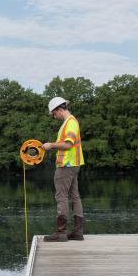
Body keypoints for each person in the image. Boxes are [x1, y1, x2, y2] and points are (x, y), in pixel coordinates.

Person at [42, 97, 84, 242]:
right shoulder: (70, 122)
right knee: (75, 196)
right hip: (73, 164)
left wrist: (51, 145)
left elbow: (68, 144)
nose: (54, 117)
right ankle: (78, 232)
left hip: (66, 165)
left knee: (61, 197)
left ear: (59, 110)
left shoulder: (70, 123)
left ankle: (61, 233)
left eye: (54, 114)